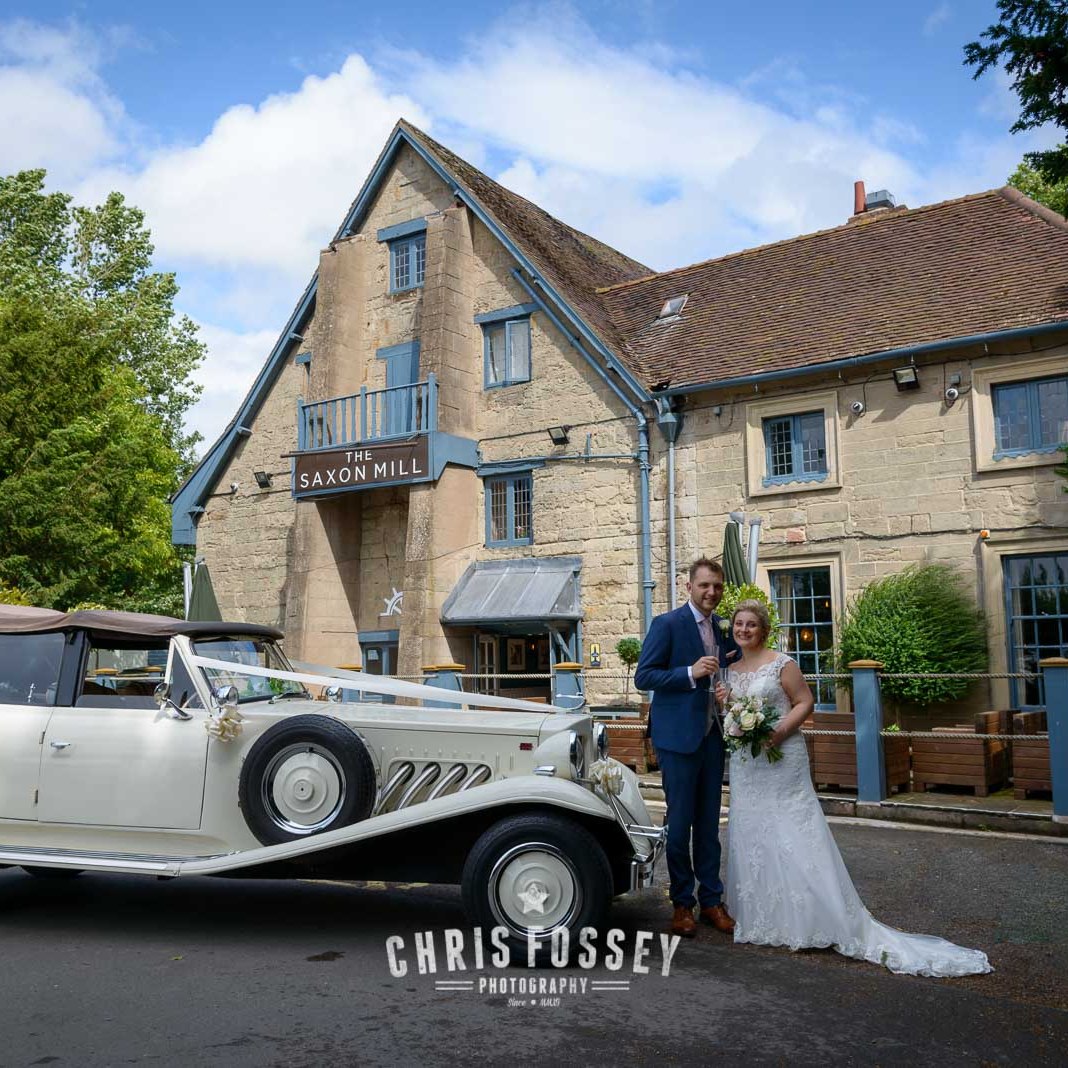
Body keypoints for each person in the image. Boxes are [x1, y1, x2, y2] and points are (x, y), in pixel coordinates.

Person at [715, 600, 992, 976]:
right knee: (753, 830)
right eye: (738, 624)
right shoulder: (729, 671)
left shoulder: (783, 663)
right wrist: (729, 705)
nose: (743, 630)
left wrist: (780, 730)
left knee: (793, 829)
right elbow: (734, 714)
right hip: (749, 764)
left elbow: (805, 702)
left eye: (750, 624)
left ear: (762, 629)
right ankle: (765, 915)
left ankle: (816, 914)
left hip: (782, 757)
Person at [635, 557, 741, 938]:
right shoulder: (668, 624)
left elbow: (735, 661)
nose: (711, 592)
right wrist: (689, 673)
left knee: (709, 826)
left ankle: (712, 900)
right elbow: (643, 676)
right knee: (679, 827)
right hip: (678, 739)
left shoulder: (721, 626)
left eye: (717, 586)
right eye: (704, 586)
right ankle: (682, 904)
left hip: (713, 737)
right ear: (689, 587)